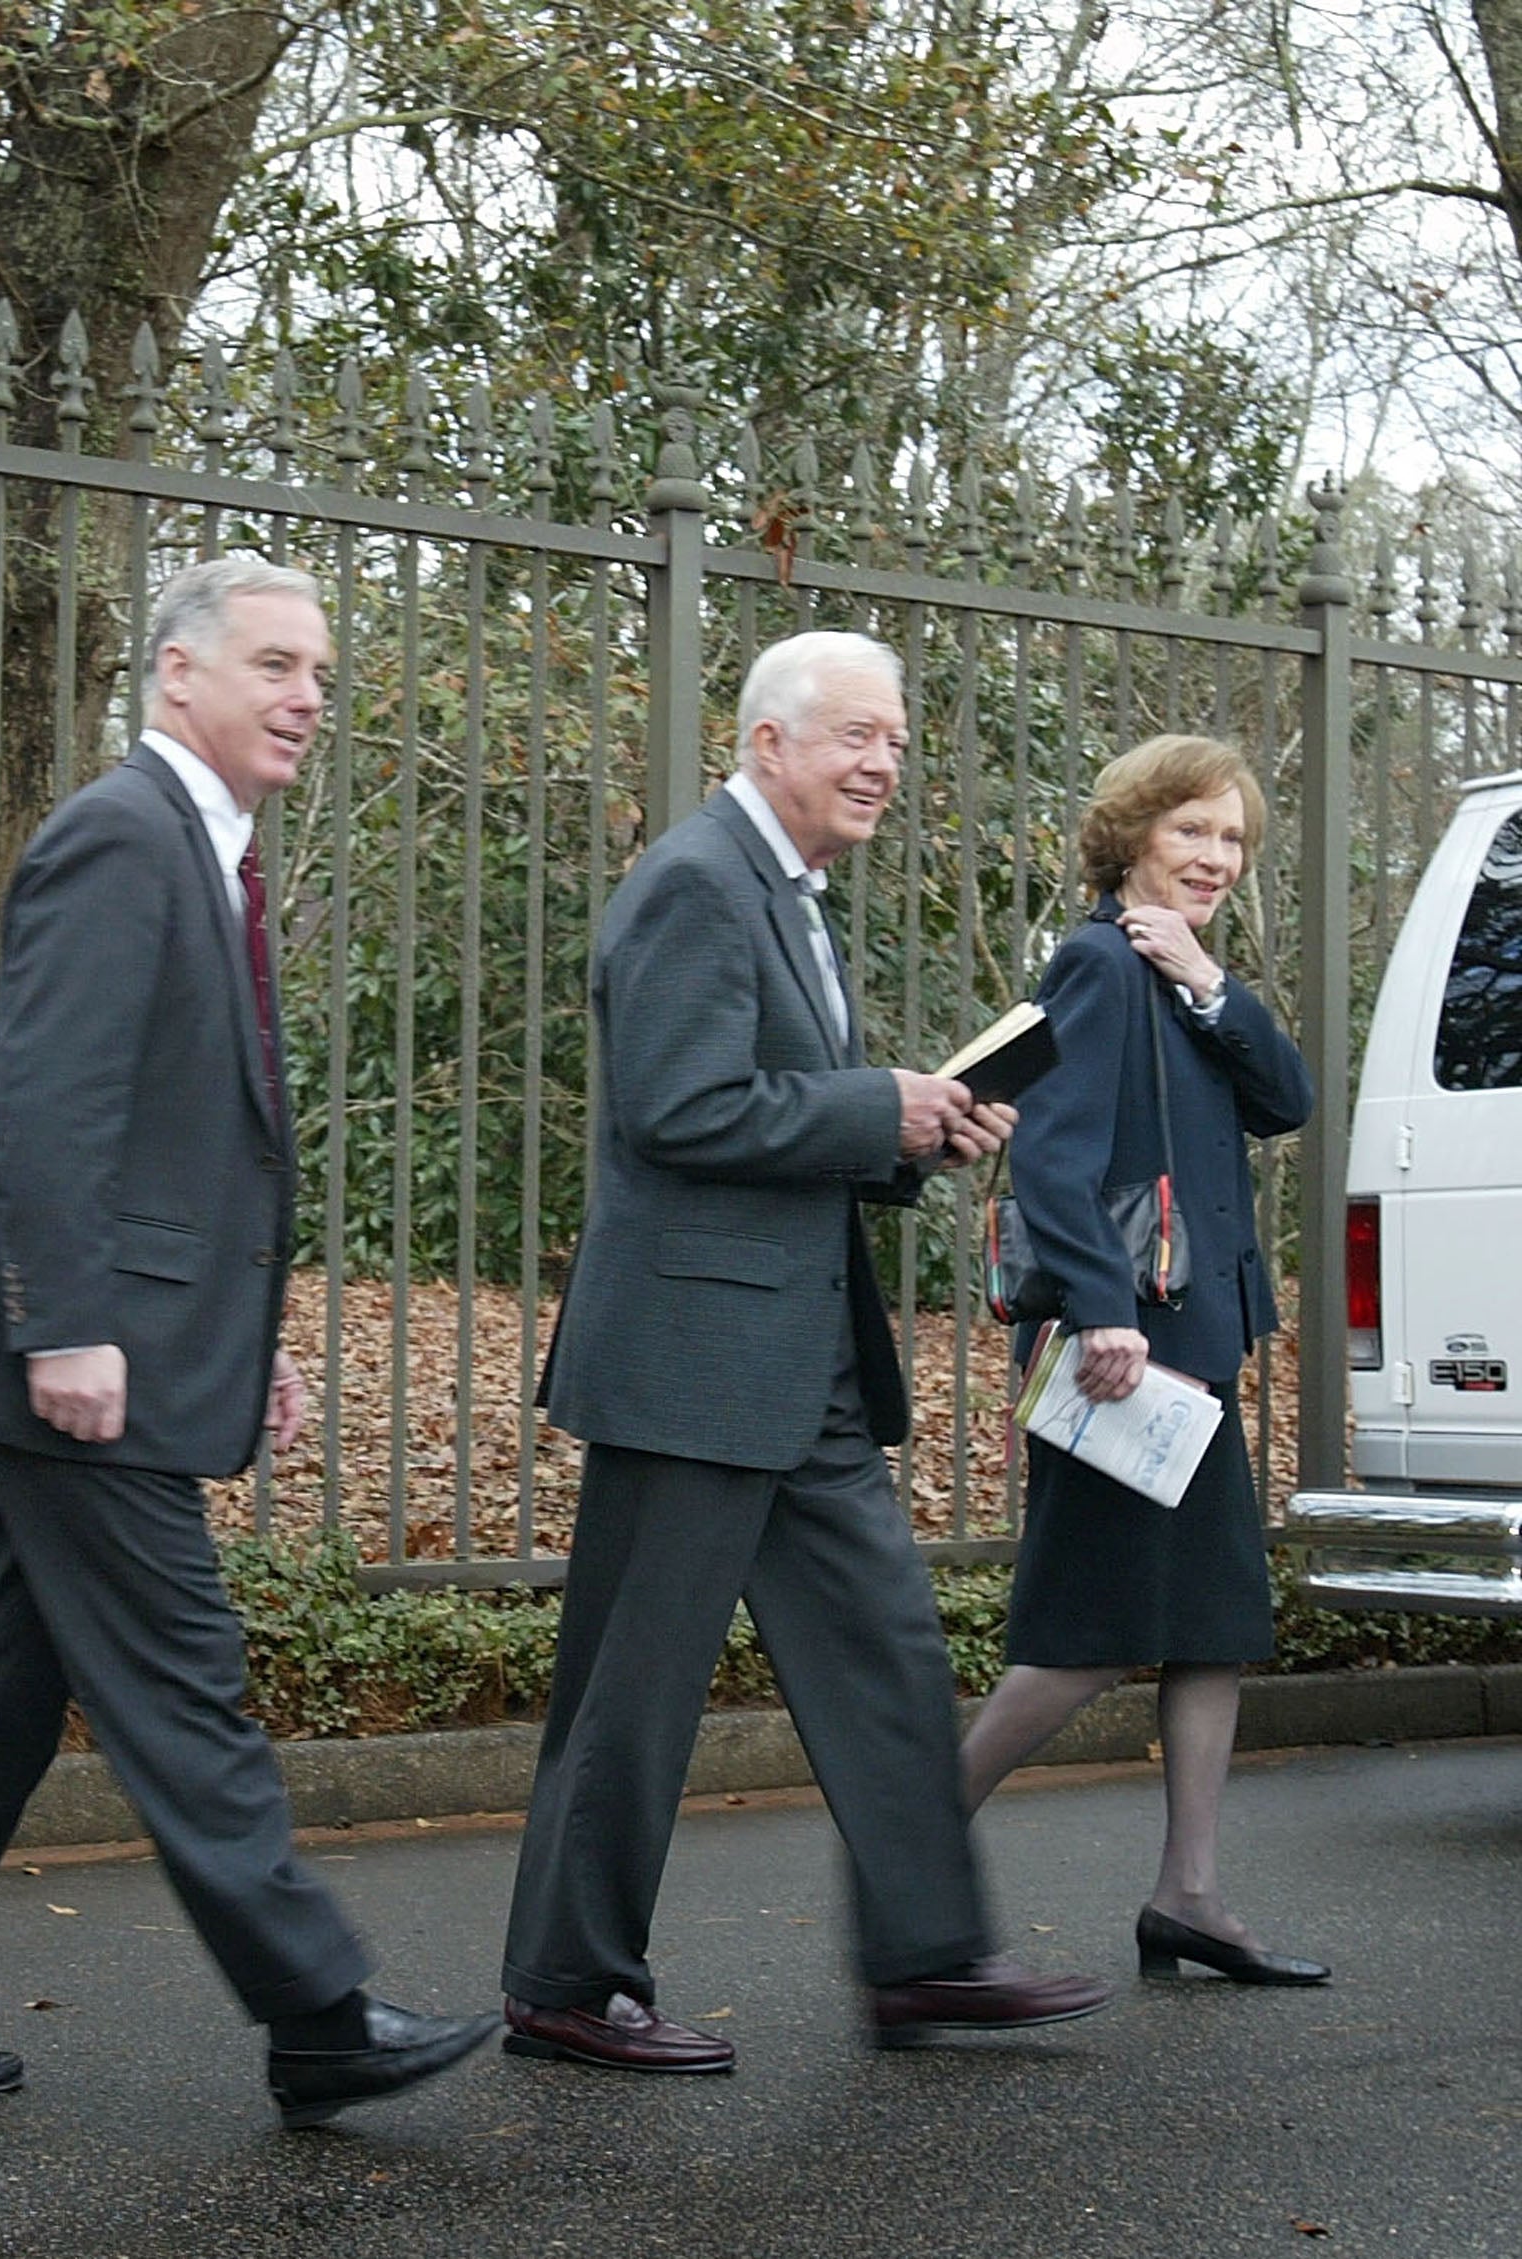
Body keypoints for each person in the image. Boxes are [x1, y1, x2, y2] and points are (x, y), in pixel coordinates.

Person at [0, 555, 498, 2128]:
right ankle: (317, 2009)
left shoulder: (206, 850)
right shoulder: (124, 836)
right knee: (185, 1681)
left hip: (126, 1346)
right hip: (78, 1370)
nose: (310, 692)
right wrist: (74, 1328)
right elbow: (48, 1106)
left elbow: (176, 1144)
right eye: (276, 664)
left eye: (319, 668)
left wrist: (246, 1343)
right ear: (179, 675)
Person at [498, 629, 1114, 2073]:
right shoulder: (698, 884)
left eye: (894, 738)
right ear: (767, 741)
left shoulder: (787, 894)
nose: (883, 760)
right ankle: (565, 1983)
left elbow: (776, 1108)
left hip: (799, 1358)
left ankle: (926, 1956)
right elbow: (678, 1109)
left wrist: (918, 1128)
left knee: (886, 1651)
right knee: (633, 1689)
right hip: (694, 1359)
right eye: (855, 734)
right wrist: (873, 1109)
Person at [959, 735, 1325, 1986]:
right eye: (1192, 834)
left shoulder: (1178, 972)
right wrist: (1104, 1308)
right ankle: (908, 1849)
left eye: (1231, 840)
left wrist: (1213, 981)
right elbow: (1054, 1154)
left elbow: (1289, 1101)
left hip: (1194, 1349)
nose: (1217, 857)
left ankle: (1191, 1896)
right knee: (1086, 1636)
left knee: (1211, 1627)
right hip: (1129, 1352)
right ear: (1132, 837)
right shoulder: (1099, 965)